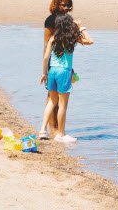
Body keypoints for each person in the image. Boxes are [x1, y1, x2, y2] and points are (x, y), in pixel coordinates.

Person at [38, 13, 94, 142]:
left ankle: (42, 130)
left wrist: (44, 73)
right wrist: (81, 28)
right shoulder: (72, 38)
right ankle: (61, 134)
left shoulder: (53, 38)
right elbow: (90, 41)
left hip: (52, 71)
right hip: (64, 72)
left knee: (52, 101)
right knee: (62, 105)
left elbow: (46, 58)